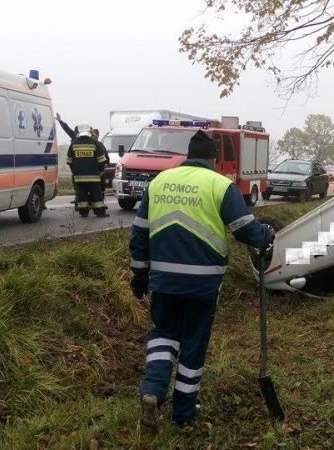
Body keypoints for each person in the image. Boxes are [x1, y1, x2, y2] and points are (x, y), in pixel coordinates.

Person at [130, 130, 274, 432]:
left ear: (187, 155)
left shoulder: (158, 183)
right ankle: (183, 414)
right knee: (193, 344)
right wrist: (267, 235)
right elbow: (245, 230)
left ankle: (152, 391)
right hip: (202, 283)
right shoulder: (220, 185)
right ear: (214, 159)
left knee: (163, 335)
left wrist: (140, 273)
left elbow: (140, 232)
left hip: (164, 280)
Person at [66, 122, 109, 217]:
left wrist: (75, 171)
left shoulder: (74, 144)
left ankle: (83, 212)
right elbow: (102, 160)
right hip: (94, 177)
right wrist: (100, 171)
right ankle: (100, 212)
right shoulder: (95, 143)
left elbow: (69, 161)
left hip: (79, 177)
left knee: (82, 194)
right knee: (96, 195)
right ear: (90, 131)